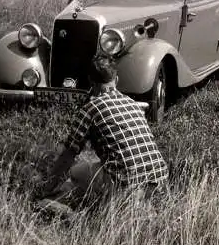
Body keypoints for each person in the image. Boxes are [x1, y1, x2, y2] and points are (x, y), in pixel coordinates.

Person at [32, 54, 169, 208]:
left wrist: (48, 187)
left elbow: (68, 155)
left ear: (90, 81)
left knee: (76, 172)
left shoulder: (91, 108)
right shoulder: (133, 104)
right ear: (116, 79)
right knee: (94, 167)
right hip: (160, 179)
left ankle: (60, 207)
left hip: (125, 186)